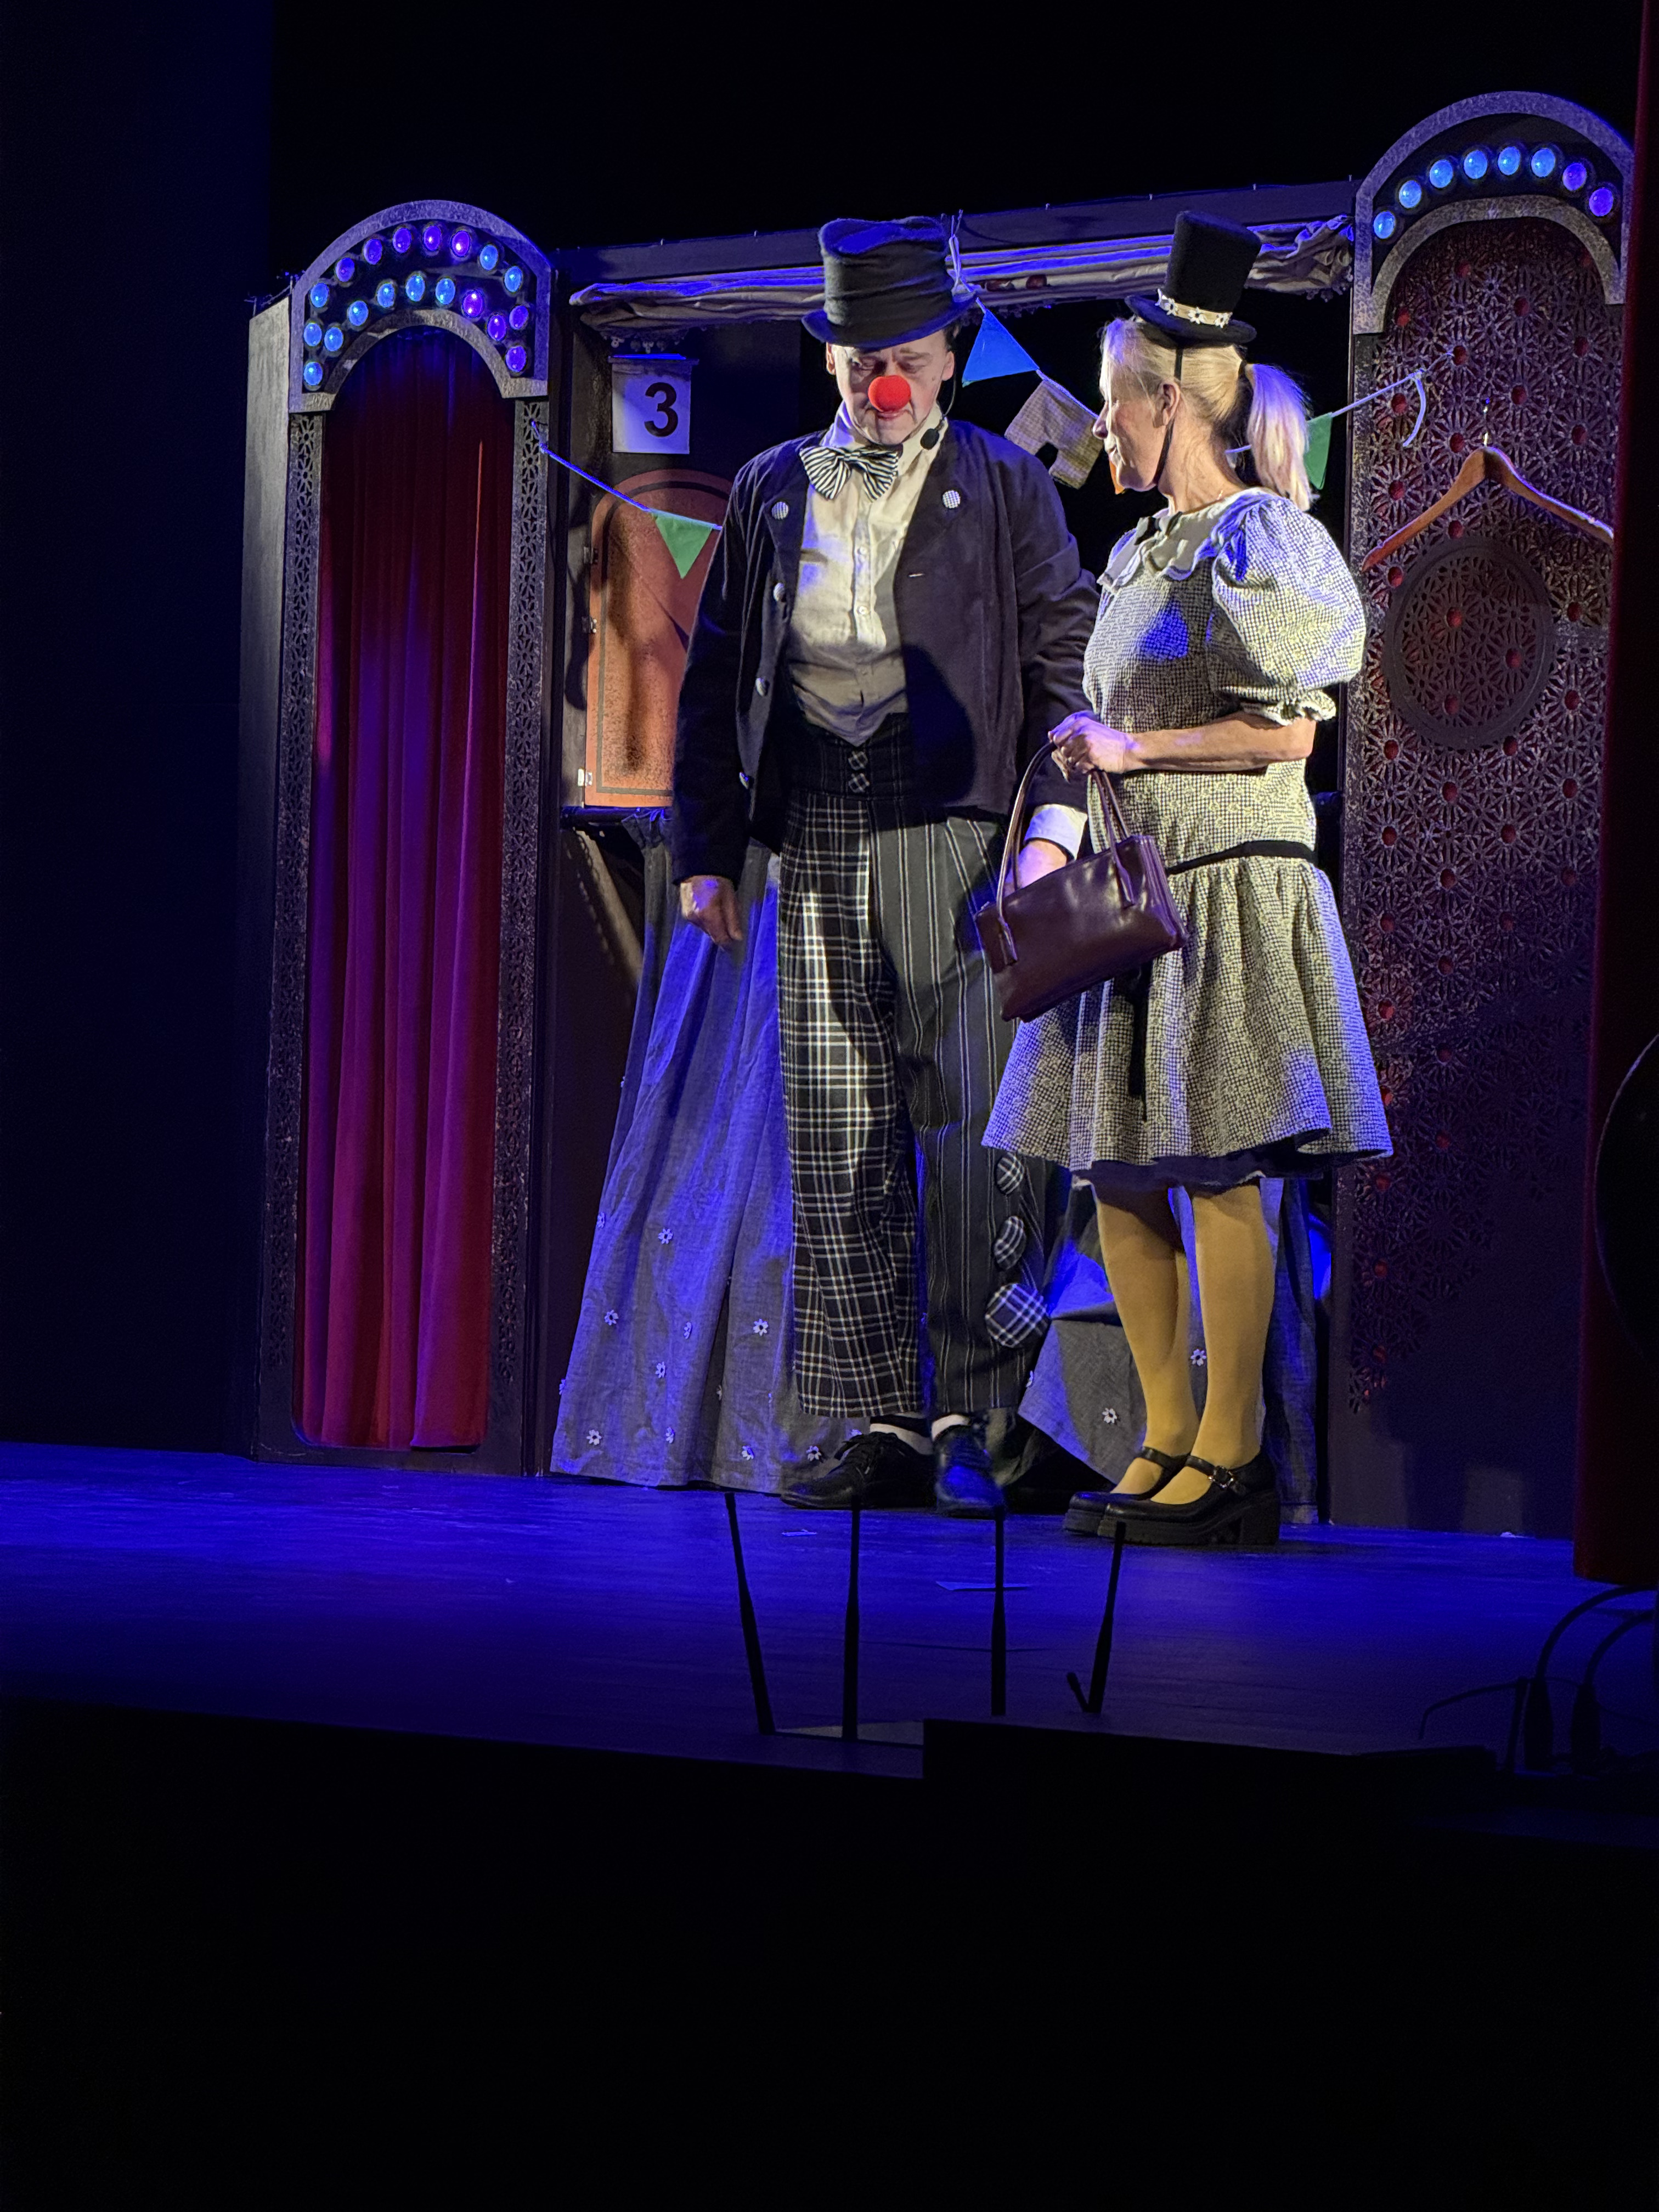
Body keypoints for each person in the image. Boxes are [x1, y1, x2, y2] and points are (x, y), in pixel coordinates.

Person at [672, 216, 1096, 1516]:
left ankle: (981, 1416)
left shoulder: (1003, 484)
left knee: (973, 1132)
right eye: (861, 362)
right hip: (814, 829)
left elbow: (1065, 661)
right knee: (838, 1131)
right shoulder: (772, 487)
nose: (882, 384)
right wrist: (709, 850)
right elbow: (716, 674)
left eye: (904, 358)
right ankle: (882, 1419)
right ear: (832, 364)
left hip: (955, 832)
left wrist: (1051, 829)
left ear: (950, 358)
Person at [986, 211, 1390, 1548]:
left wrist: (1139, 746)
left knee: (1218, 1170)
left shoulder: (1266, 537)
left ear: (1169, 405)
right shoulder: (1141, 551)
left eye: (1115, 405)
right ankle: (1162, 1441)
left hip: (1228, 887)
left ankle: (1235, 1458)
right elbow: (1104, 726)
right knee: (1117, 1172)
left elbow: (1293, 735)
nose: (1101, 428)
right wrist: (1058, 823)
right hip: (1133, 894)